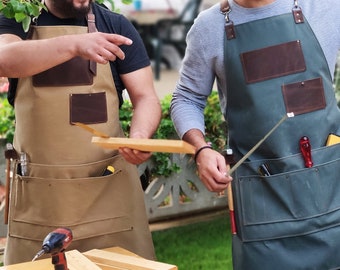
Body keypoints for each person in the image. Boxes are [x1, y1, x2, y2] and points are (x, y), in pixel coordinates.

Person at [170, 0, 340, 269]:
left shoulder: (326, 7)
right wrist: (201, 148)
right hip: (260, 204)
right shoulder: (210, 27)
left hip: (329, 191)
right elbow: (187, 98)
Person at [0, 0, 161, 265]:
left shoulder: (115, 25)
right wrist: (74, 45)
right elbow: (5, 60)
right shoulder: (18, 22)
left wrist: (139, 136)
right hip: (40, 200)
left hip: (108, 196)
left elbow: (146, 98)